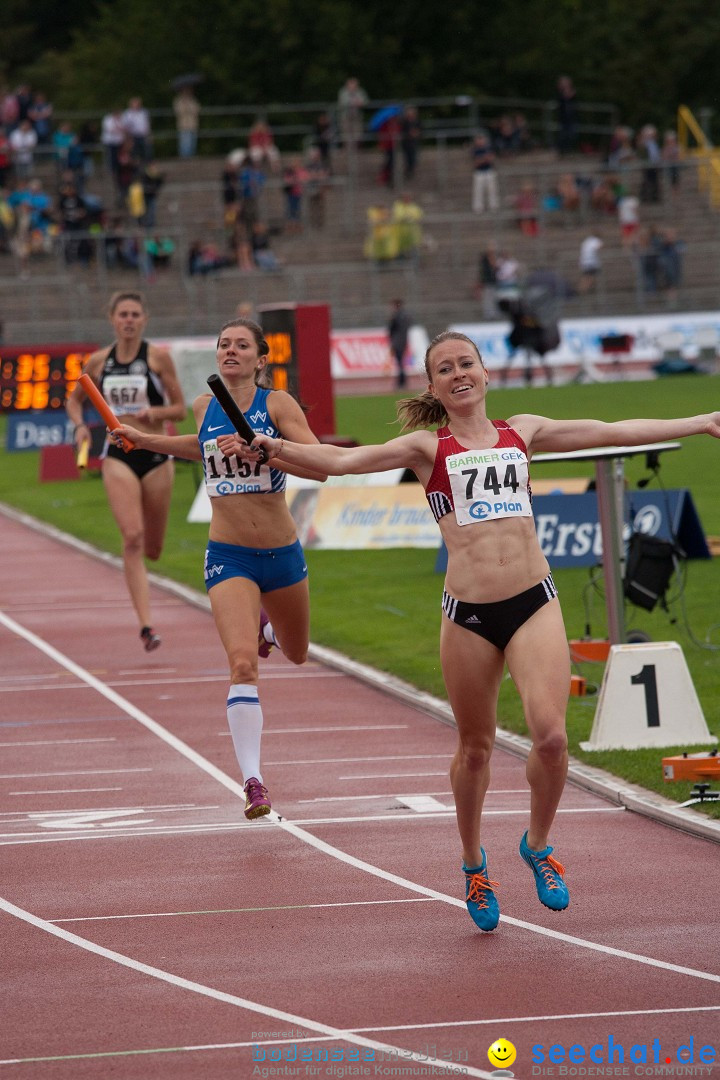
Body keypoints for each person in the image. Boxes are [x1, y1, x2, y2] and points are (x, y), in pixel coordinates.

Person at [216, 331, 720, 929]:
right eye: (444, 369)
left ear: (484, 373)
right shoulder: (428, 447)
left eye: (466, 364)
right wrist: (272, 448)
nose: (458, 374)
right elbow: (343, 461)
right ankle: (473, 862)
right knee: (475, 749)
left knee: (552, 738)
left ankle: (537, 845)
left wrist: (701, 420)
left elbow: (611, 430)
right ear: (432, 387)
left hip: (535, 602)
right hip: (469, 616)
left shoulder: (522, 431)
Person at [108, 317, 327, 820]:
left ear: (261, 358)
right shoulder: (206, 406)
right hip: (227, 554)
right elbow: (197, 448)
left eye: (241, 345)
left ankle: (269, 627)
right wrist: (145, 440)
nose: (230, 351)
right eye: (224, 344)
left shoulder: (278, 405)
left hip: (282, 553)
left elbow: (318, 465)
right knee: (242, 665)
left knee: (295, 653)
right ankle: (253, 781)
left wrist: (267, 451)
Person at [66, 292, 186, 651]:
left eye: (135, 314)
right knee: (132, 537)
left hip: (155, 455)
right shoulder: (101, 361)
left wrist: (157, 415)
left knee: (153, 548)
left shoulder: (158, 358)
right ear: (112, 319)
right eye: (123, 314)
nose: (129, 320)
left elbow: (180, 408)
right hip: (118, 455)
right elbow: (74, 400)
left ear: (144, 319)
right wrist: (79, 427)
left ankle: (148, 571)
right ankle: (147, 626)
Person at [387, 298, 412, 388]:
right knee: (401, 362)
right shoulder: (406, 316)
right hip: (403, 341)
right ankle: (402, 380)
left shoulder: (395, 316)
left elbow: (391, 330)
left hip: (397, 342)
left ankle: (401, 381)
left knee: (399, 362)